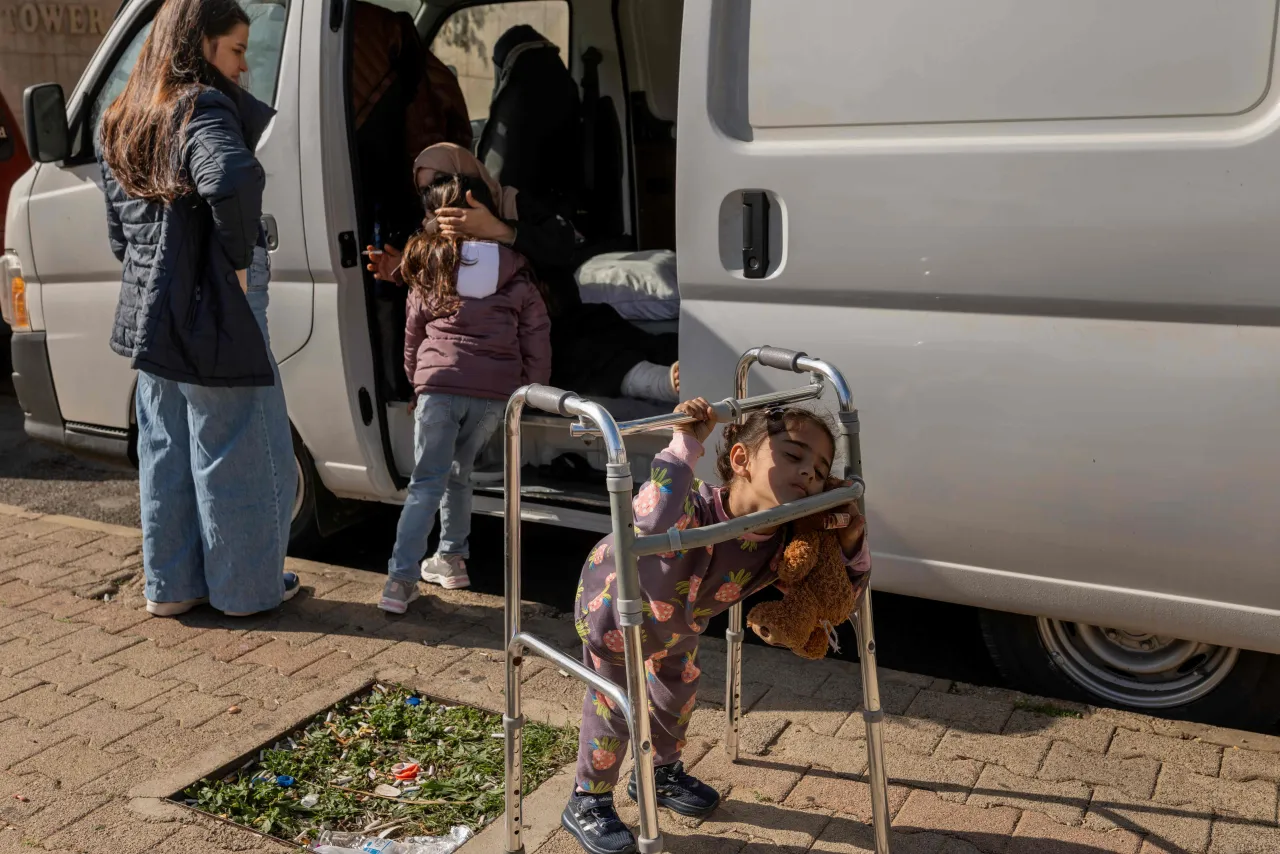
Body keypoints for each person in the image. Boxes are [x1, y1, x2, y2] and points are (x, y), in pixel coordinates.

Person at [561, 401, 871, 853]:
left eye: (821, 471)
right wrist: (685, 444)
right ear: (742, 460)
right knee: (616, 706)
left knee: (677, 695)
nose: (808, 474)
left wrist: (851, 542)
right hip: (614, 605)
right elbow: (650, 520)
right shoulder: (694, 504)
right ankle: (588, 798)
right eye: (794, 456)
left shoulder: (785, 542)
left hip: (681, 623)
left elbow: (840, 599)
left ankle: (661, 773)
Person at [97, 0, 298, 618]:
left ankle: (173, 588)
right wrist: (238, 258)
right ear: (200, 45)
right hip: (213, 301)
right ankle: (245, 592)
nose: (243, 67)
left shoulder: (124, 117)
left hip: (149, 306)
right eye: (236, 50)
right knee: (240, 442)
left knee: (166, 446)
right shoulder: (201, 106)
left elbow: (118, 233)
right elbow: (233, 175)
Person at [367, 143, 679, 402]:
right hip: (513, 345)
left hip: (559, 315)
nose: (437, 195)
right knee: (584, 356)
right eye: (426, 190)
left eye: (442, 179)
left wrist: (501, 230)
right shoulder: (432, 234)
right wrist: (403, 271)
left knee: (605, 324)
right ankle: (659, 382)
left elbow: (563, 246)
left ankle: (694, 366)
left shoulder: (510, 203)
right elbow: (434, 305)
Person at [378, 174, 552, 613]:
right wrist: (532, 390)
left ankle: (400, 582)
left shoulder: (428, 268)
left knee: (426, 484)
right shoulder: (516, 270)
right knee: (460, 473)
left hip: (438, 388)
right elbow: (536, 335)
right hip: (493, 396)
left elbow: (413, 336)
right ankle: (452, 559)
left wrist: (417, 382)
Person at [476, 24, 582, 215]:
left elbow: (496, 172)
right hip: (559, 206)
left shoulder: (515, 97)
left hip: (522, 215)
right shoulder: (565, 84)